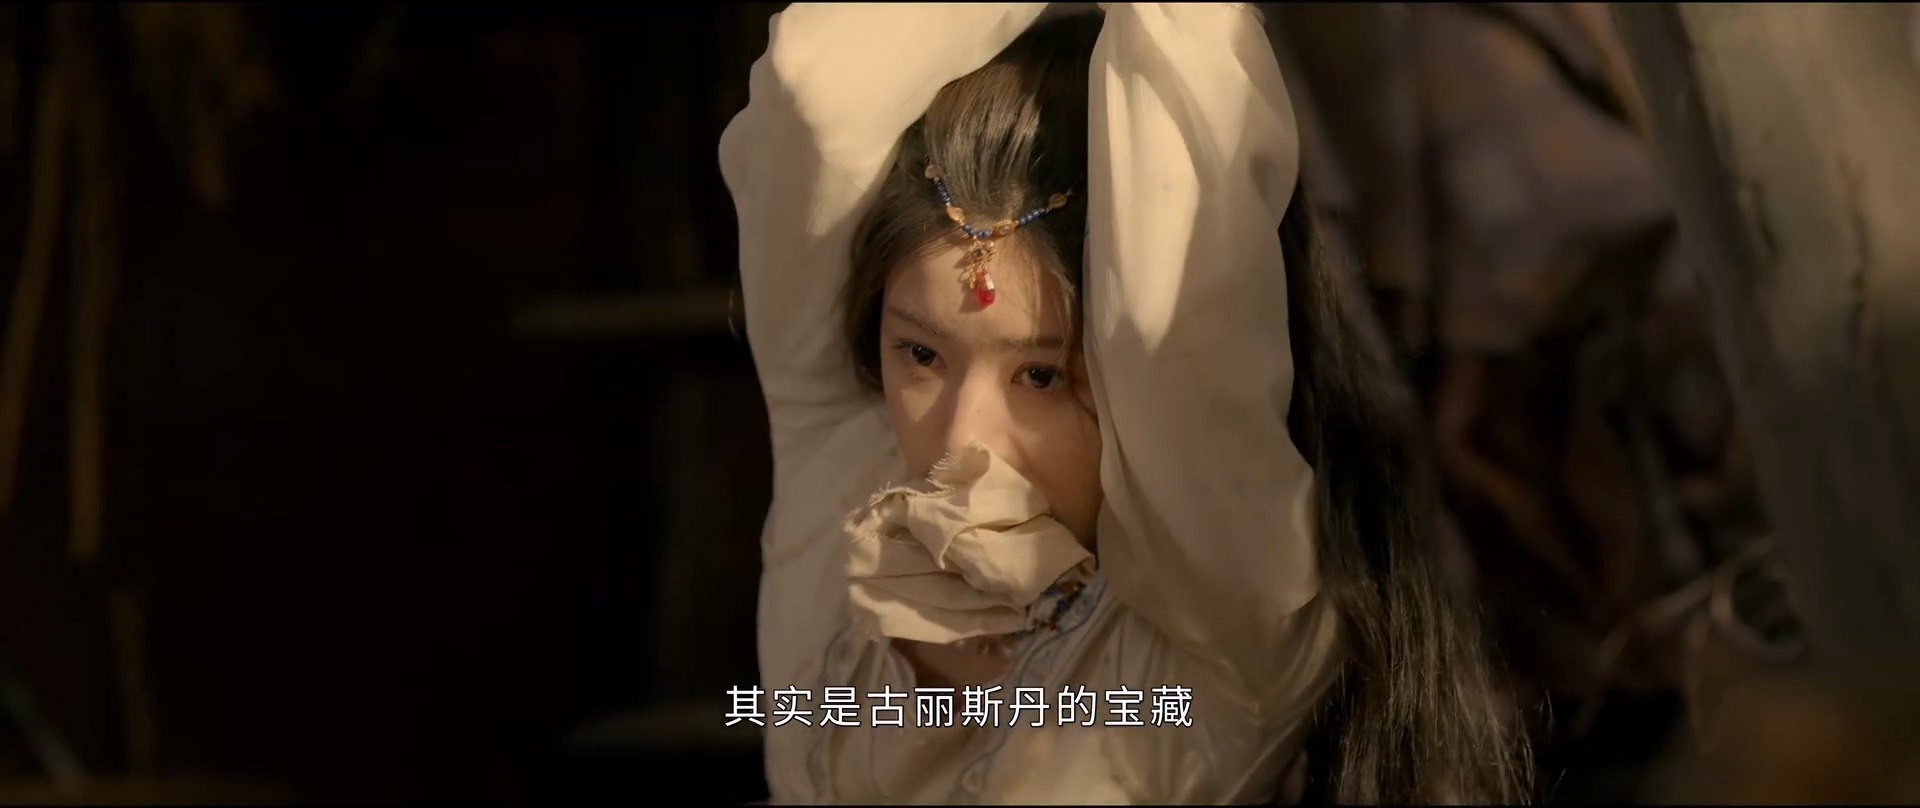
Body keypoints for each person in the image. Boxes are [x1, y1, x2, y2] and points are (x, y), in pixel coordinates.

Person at [719, 3, 1532, 803]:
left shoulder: (1213, 626)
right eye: (921, 356)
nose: (960, 439)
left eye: (1042, 376)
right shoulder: (849, 466)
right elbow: (816, 99)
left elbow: (1164, 314)